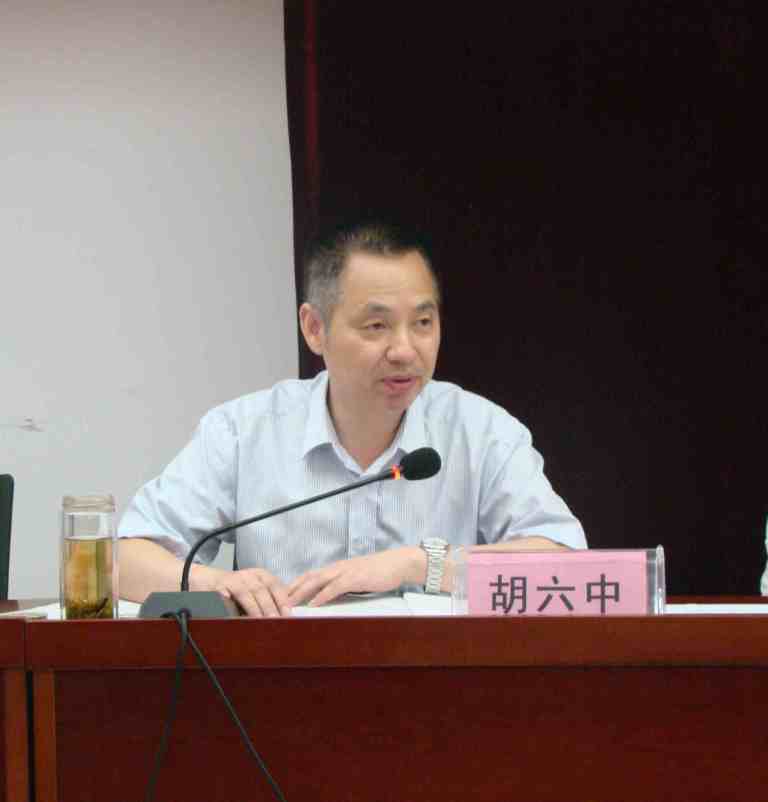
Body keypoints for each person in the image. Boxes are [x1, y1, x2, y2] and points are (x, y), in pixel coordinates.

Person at [118, 221, 587, 616]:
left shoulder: (481, 432)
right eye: (376, 326)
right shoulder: (243, 432)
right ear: (314, 328)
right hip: (278, 685)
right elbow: (122, 559)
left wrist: (419, 565)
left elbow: (569, 568)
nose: (405, 350)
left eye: (423, 323)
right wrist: (216, 585)